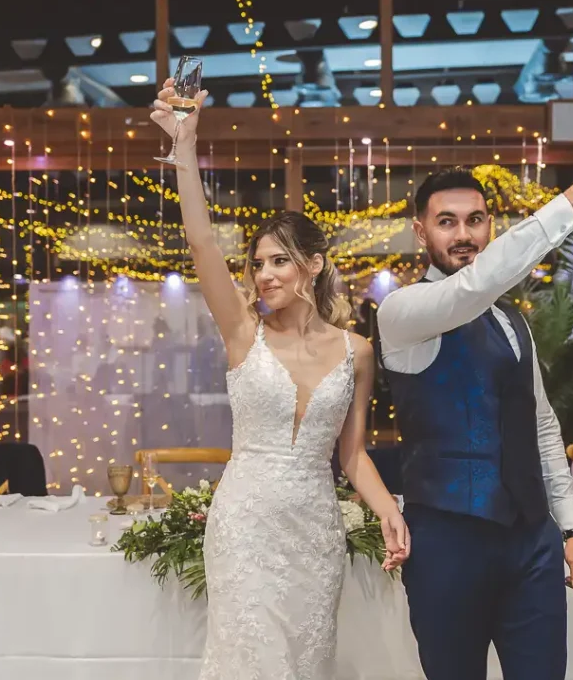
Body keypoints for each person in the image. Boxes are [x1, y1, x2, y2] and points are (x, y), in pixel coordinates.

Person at [151, 80, 409, 680]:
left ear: (313, 265)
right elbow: (200, 240)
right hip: (245, 526)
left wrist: (386, 511)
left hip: (315, 533)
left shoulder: (358, 352)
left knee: (305, 663)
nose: (263, 274)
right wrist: (185, 150)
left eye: (279, 261)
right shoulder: (243, 333)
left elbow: (352, 455)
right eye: (258, 262)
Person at [377, 146, 573, 680]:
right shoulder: (402, 314)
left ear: (490, 226)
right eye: (446, 222)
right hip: (447, 542)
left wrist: (571, 529)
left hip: (531, 544)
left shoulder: (511, 322)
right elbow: (472, 290)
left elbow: (542, 426)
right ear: (420, 233)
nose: (464, 235)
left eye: (475, 221)